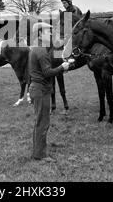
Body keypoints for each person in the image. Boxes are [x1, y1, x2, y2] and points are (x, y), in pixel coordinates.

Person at [28, 22, 70, 162]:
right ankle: (40, 155)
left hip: (37, 89)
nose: (51, 34)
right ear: (40, 34)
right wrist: (62, 67)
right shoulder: (41, 51)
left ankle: (38, 150)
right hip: (41, 90)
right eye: (48, 31)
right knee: (43, 123)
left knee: (39, 121)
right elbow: (47, 73)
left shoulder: (39, 48)